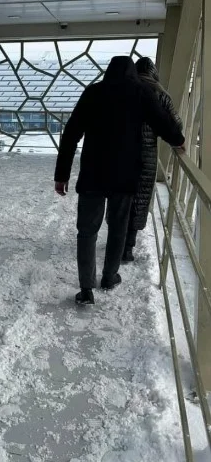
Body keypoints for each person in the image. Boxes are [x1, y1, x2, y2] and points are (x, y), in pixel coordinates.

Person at [54, 55, 185, 306]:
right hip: (125, 175)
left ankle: (86, 288)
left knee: (87, 231)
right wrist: (178, 140)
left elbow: (71, 134)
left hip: (93, 174)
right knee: (118, 227)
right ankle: (110, 276)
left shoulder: (93, 92)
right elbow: (163, 122)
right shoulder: (141, 92)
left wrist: (62, 175)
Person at [121, 56, 184, 262]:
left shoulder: (124, 89)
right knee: (139, 199)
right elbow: (175, 124)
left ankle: (117, 242)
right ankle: (128, 247)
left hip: (122, 152)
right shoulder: (160, 93)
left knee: (120, 197)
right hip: (146, 155)